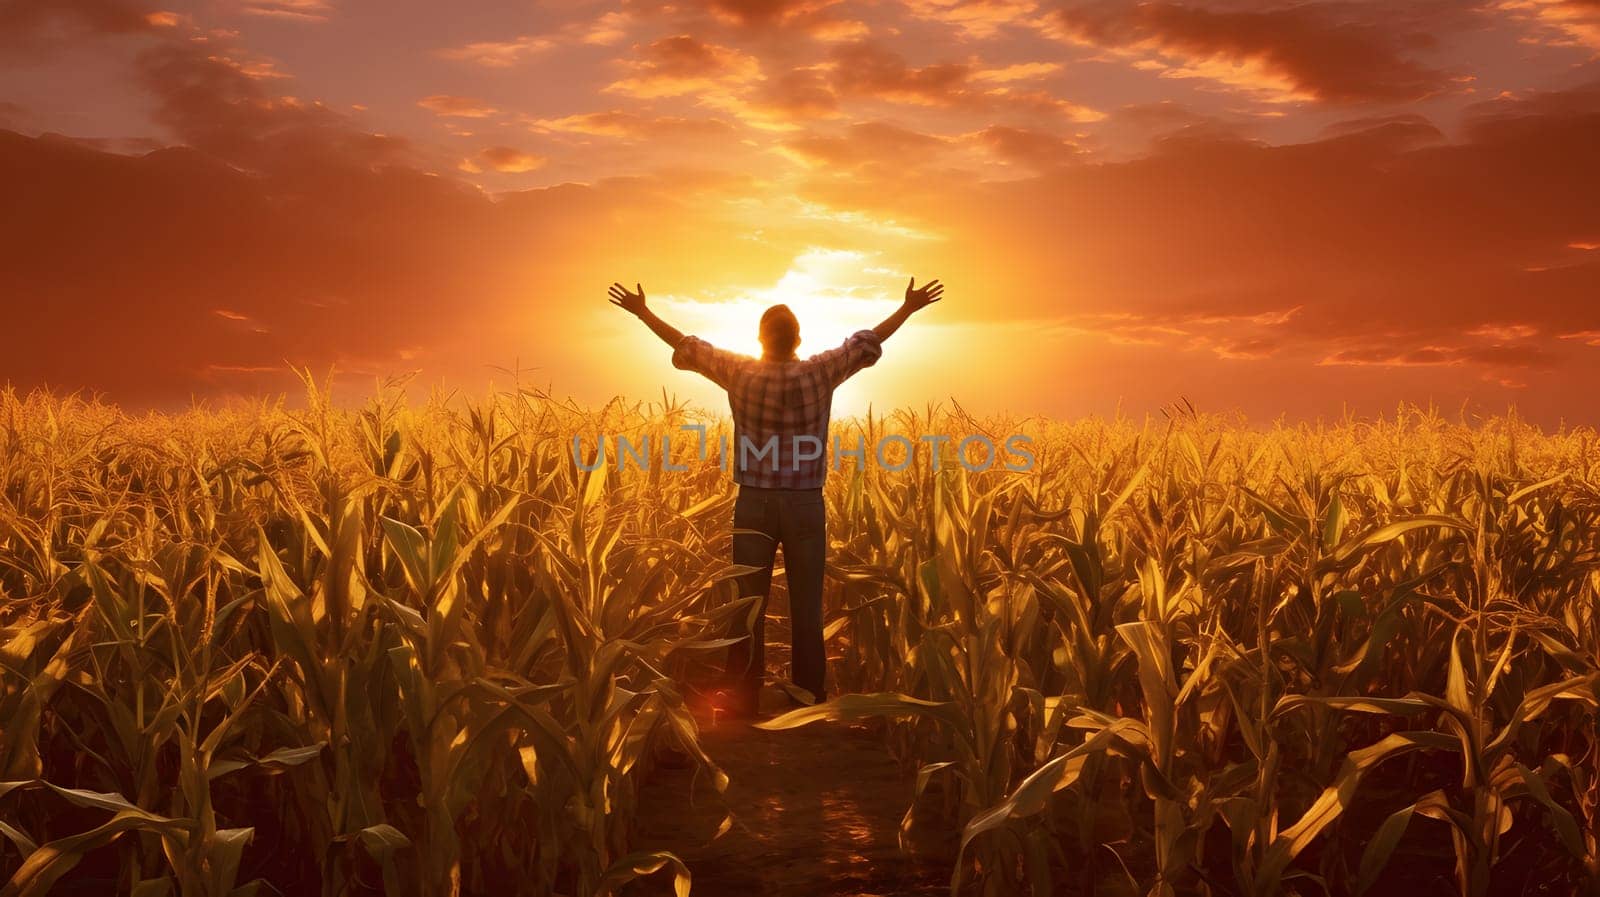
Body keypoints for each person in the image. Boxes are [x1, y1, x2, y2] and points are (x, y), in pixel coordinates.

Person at [608, 277, 945, 717]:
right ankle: (809, 695)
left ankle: (745, 694)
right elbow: (867, 341)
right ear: (798, 339)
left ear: (759, 339)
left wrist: (642, 312)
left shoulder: (740, 371)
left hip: (754, 504)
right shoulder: (820, 371)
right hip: (806, 503)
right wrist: (909, 308)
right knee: (807, 603)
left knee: (748, 602)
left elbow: (687, 345)